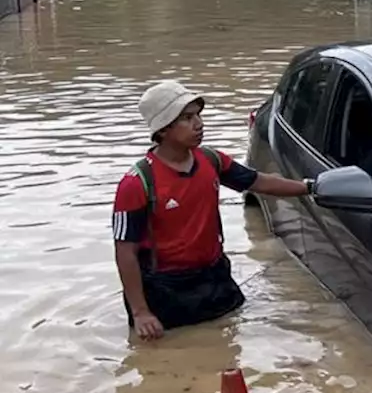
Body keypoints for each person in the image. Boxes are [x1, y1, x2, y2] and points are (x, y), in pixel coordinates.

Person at [111, 80, 314, 340]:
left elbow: (259, 181)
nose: (199, 123)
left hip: (215, 278)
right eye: (186, 118)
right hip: (165, 292)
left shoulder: (211, 160)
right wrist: (140, 312)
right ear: (162, 130)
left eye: (198, 115)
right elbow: (124, 252)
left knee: (228, 347)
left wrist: (308, 187)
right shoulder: (137, 183)